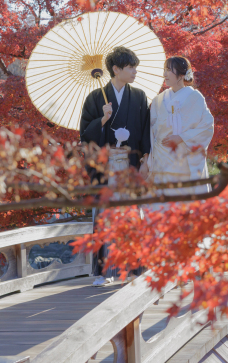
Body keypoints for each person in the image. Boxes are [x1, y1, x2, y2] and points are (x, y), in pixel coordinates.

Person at [79, 46, 151, 282]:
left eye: (135, 68)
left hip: (130, 163)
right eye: (131, 67)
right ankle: (103, 271)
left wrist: (145, 160)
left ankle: (132, 269)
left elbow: (145, 131)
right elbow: (85, 136)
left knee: (131, 215)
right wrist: (103, 119)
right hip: (106, 166)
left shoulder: (139, 96)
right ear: (116, 69)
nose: (135, 72)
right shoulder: (95, 98)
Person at [147, 56, 214, 196]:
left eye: (168, 70)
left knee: (183, 199)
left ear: (182, 74)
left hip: (185, 161)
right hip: (161, 159)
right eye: (164, 70)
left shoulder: (195, 97)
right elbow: (151, 129)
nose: (164, 74)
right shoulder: (158, 99)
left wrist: (182, 137)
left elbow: (207, 127)